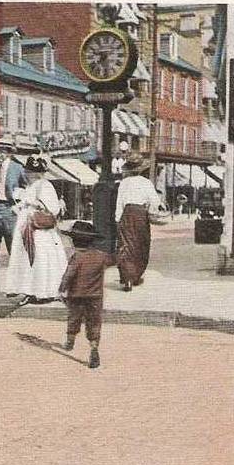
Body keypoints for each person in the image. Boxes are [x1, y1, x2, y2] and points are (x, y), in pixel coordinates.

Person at [4, 155, 68, 307]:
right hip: (27, 227)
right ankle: (30, 290)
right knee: (28, 259)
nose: (27, 174)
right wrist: (19, 206)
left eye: (30, 172)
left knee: (40, 258)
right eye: (27, 171)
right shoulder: (31, 187)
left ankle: (44, 291)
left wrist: (31, 202)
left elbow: (52, 209)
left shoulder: (44, 186)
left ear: (37, 173)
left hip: (39, 230)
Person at [59, 221, 115, 369]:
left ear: (74, 241)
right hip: (96, 296)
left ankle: (70, 341)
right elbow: (114, 260)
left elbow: (68, 275)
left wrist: (61, 289)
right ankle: (94, 348)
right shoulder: (101, 256)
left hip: (76, 296)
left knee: (74, 318)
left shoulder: (76, 257)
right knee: (94, 322)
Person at [0, 137, 28, 295]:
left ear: (8, 153)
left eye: (1, 151)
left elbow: (26, 187)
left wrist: (19, 203)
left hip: (10, 210)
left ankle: (16, 286)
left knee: (13, 249)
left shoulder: (18, 168)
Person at [115, 155, 163, 292]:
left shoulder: (124, 183)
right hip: (141, 215)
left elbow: (120, 202)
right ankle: (136, 275)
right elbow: (154, 201)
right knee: (141, 245)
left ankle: (127, 278)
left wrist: (118, 219)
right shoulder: (146, 182)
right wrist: (159, 206)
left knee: (126, 245)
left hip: (127, 213)